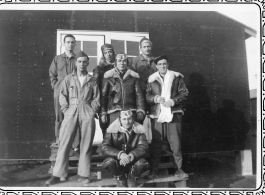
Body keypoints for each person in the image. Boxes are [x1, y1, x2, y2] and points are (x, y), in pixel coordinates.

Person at [45, 51, 100, 186]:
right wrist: (65, 109)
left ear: (88, 63)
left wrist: (92, 110)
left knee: (86, 143)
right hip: (71, 110)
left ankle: (84, 174)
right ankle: (58, 174)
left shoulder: (92, 80)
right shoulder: (68, 78)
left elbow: (96, 97)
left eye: (84, 62)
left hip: (86, 110)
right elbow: (62, 95)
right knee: (64, 142)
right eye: (79, 61)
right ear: (76, 63)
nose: (81, 64)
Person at [146, 55, 189, 179]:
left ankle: (179, 169)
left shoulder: (177, 78)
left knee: (176, 143)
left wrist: (173, 101)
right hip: (157, 114)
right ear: (156, 66)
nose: (162, 66)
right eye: (160, 64)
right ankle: (153, 170)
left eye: (164, 64)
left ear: (168, 64)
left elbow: (185, 93)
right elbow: (147, 96)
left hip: (174, 113)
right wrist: (155, 98)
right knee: (156, 143)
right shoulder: (151, 80)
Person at [101, 110, 149, 187]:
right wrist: (120, 154)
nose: (127, 122)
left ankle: (132, 177)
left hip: (133, 161)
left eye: (129, 119)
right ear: (120, 120)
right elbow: (105, 147)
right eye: (124, 119)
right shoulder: (111, 130)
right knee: (108, 162)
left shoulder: (139, 130)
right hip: (119, 162)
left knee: (142, 163)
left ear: (133, 119)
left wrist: (132, 155)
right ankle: (120, 177)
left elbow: (143, 146)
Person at [49, 34, 80, 153]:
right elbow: (52, 74)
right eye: (68, 42)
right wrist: (56, 87)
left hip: (73, 92)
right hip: (59, 91)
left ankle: (74, 143)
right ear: (63, 43)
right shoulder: (57, 59)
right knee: (59, 115)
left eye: (72, 42)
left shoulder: (77, 59)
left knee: (73, 115)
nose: (70, 44)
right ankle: (59, 139)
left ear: (75, 44)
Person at [100, 52, 146, 126]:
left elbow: (139, 96)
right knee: (114, 135)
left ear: (127, 63)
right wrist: (103, 112)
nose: (122, 63)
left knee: (131, 135)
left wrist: (140, 110)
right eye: (119, 61)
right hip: (114, 112)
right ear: (115, 63)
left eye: (124, 61)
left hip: (130, 112)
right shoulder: (108, 77)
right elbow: (103, 97)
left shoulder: (134, 77)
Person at [93, 44, 115, 137]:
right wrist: (100, 109)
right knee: (105, 126)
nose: (108, 54)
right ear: (103, 55)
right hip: (104, 101)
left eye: (110, 52)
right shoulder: (99, 69)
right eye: (105, 53)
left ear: (113, 53)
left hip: (117, 101)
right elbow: (95, 88)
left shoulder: (120, 66)